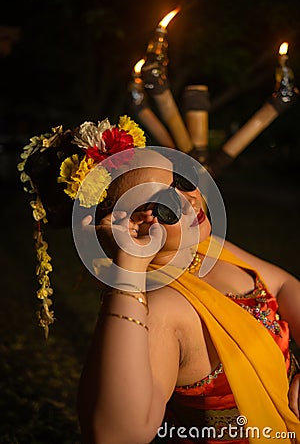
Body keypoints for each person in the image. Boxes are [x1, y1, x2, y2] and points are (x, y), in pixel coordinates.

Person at [19, 116, 300, 444]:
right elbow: (116, 435)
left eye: (181, 180)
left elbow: (283, 285)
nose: (191, 199)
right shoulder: (164, 308)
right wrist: (129, 270)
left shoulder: (207, 250)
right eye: (165, 202)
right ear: (131, 226)